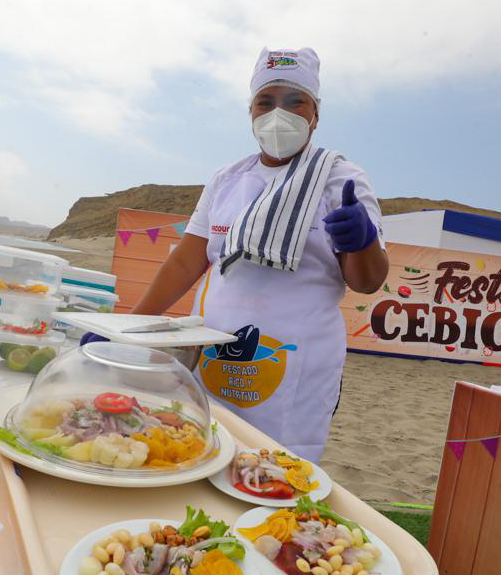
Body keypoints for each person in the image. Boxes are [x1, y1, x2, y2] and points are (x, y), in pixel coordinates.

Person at [83, 47, 389, 461]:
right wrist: (127, 327)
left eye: (294, 101)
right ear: (250, 112)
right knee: (201, 451)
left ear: (316, 114)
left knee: (275, 466)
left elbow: (367, 281)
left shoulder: (340, 179)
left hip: (293, 364)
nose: (278, 113)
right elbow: (186, 261)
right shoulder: (228, 179)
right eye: (266, 101)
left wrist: (362, 240)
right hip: (216, 352)